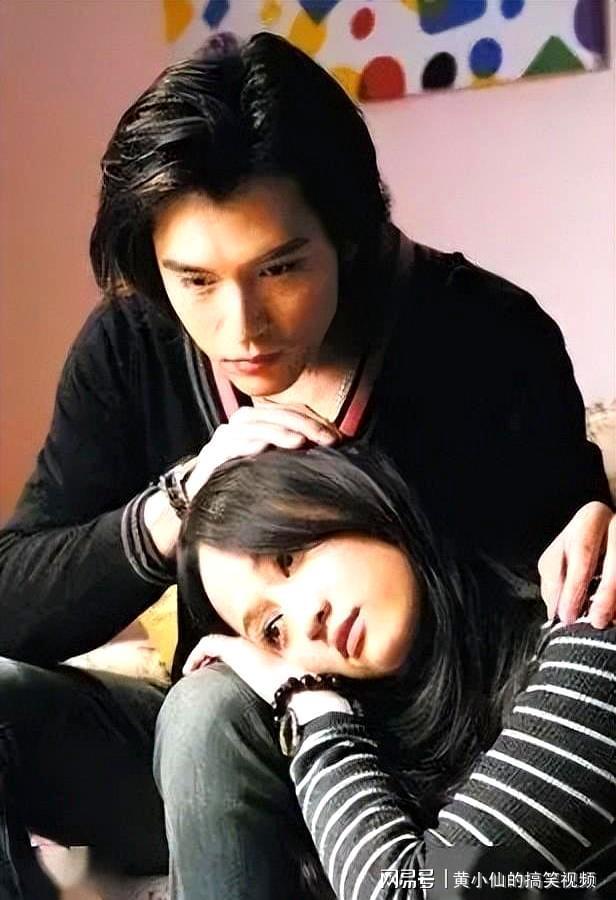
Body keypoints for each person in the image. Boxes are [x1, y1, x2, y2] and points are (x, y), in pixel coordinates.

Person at [0, 29, 613, 899]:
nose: (241, 328)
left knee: (210, 710)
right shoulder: (132, 348)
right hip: (216, 760)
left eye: (280, 269)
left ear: (350, 234)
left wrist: (311, 703)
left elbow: (569, 587)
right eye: (194, 281)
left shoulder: (484, 338)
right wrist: (180, 500)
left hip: (420, 774)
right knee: (198, 708)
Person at [180, 444, 616, 899]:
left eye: (289, 557)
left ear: (353, 497)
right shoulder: (381, 775)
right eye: (273, 629)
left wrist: (312, 709)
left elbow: (410, 891)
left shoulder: (594, 620)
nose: (307, 619)